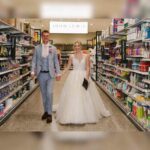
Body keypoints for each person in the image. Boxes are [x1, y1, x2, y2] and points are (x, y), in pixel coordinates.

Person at [56, 41, 111, 124]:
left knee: (85, 94)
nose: (77, 47)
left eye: (78, 46)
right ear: (73, 47)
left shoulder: (87, 56)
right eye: (75, 46)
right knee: (73, 94)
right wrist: (61, 74)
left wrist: (87, 78)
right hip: (73, 77)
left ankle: (86, 113)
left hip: (83, 76)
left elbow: (88, 67)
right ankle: (72, 114)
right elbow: (67, 67)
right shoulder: (71, 56)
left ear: (81, 47)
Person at [31, 30, 61, 123]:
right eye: (44, 36)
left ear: (49, 37)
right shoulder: (37, 48)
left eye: (47, 36)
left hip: (50, 74)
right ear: (42, 37)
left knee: (49, 93)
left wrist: (58, 73)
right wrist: (32, 71)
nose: (45, 37)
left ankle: (49, 114)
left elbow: (56, 61)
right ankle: (45, 111)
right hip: (41, 74)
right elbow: (34, 61)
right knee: (44, 95)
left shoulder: (54, 48)